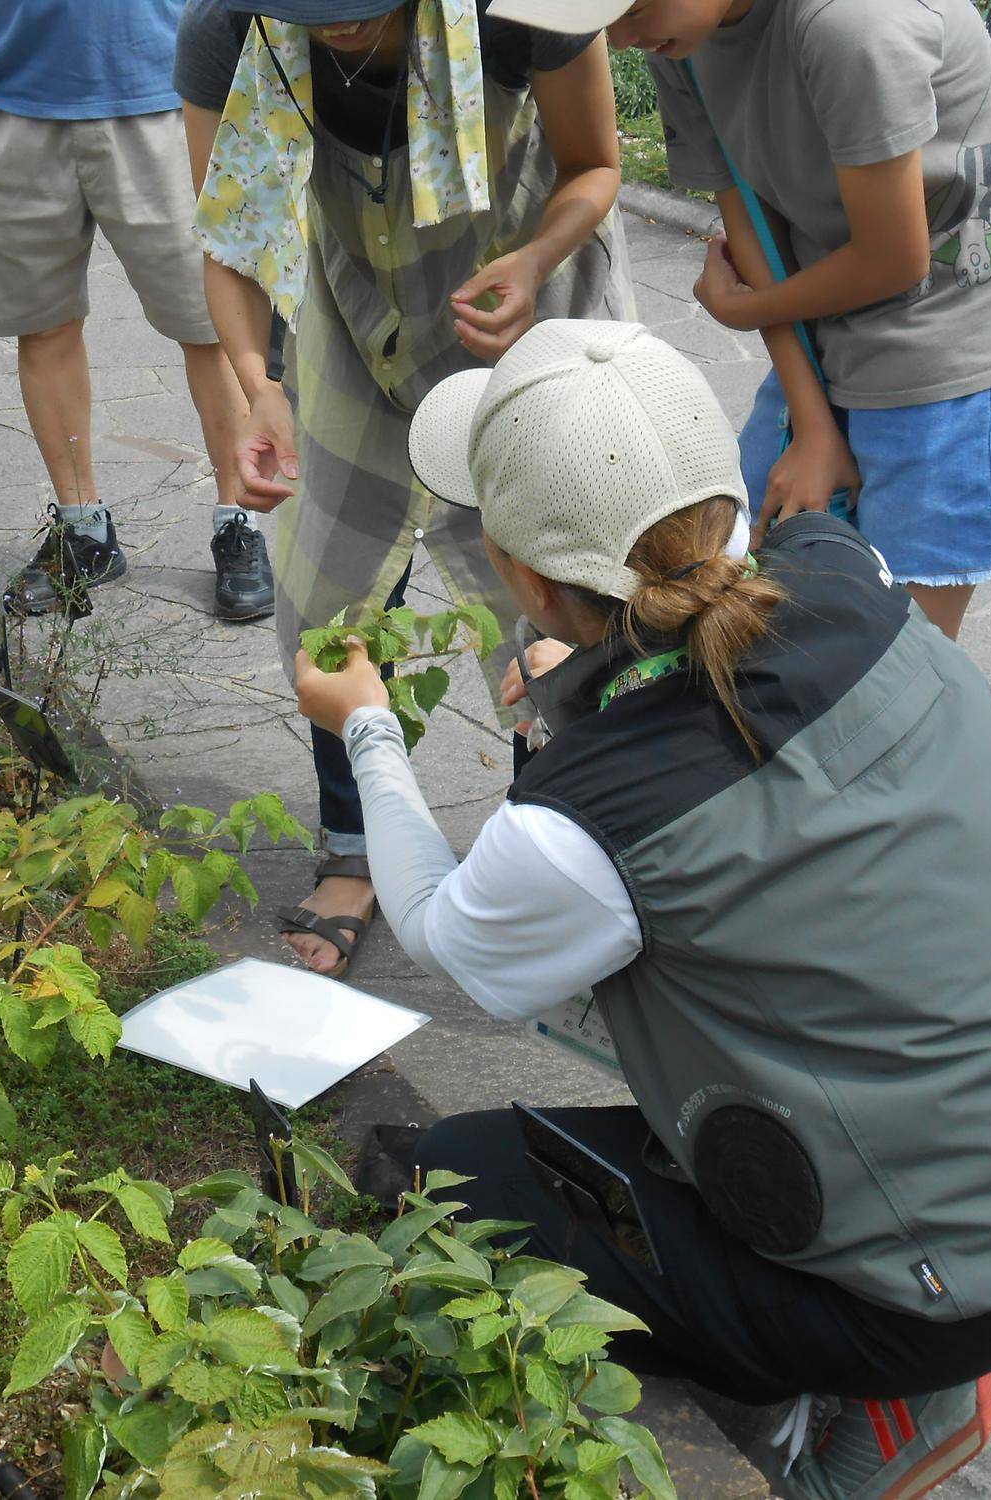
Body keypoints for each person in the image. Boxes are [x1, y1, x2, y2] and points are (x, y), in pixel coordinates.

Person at [293, 319, 991, 1500]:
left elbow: (454, 935)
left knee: (443, 1179)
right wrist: (581, 703)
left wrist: (362, 722)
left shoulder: (584, 822)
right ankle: (880, 1339)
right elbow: (708, 702)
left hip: (942, 1284)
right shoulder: (847, 579)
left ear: (523, 577)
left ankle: (879, 1400)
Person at [175, 0, 633, 976]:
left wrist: (536, 255)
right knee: (326, 599)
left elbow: (593, 165)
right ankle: (355, 848)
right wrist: (255, 384)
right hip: (352, 316)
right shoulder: (230, 32)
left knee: (554, 606)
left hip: (523, 309)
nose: (332, 26)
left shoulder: (522, 9)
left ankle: (552, 851)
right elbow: (229, 237)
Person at [517, 0, 991, 640]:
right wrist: (811, 426)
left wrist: (743, 309)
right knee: (736, 572)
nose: (619, 37)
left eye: (632, 8)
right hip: (822, 318)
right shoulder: (680, 37)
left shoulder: (851, 23)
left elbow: (895, 259)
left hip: (952, 351)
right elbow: (756, 231)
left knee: (893, 650)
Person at [0, 0, 278, 621]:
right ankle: (85, 532)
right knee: (44, 328)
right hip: (7, 96)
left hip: (170, 96)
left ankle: (238, 522)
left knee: (214, 329)